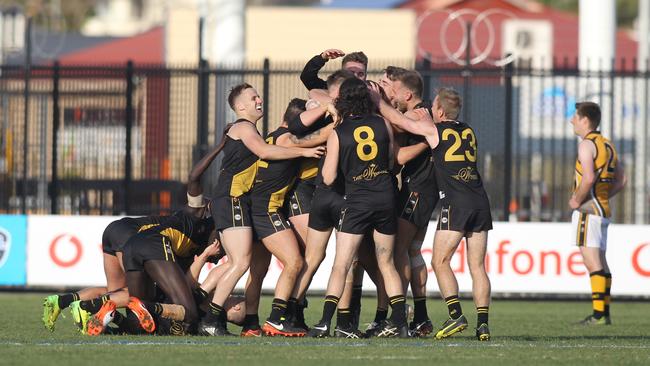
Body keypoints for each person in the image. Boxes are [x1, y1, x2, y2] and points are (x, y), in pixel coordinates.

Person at [199, 83, 323, 336]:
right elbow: (264, 150)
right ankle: (210, 317)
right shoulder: (243, 126)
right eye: (253, 97)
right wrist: (304, 150)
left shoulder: (251, 129)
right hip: (231, 198)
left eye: (259, 96)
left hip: (239, 201)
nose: (259, 100)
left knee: (247, 264)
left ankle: (237, 319)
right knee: (241, 261)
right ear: (240, 106)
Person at [379, 87, 493, 341]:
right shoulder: (468, 130)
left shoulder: (435, 131)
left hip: (456, 203)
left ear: (440, 111)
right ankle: (483, 325)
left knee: (440, 262)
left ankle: (455, 316)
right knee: (477, 266)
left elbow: (398, 120)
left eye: (434, 108)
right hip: (480, 201)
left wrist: (377, 101)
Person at [308, 77, 408, 338]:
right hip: (385, 198)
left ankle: (324, 322)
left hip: (357, 201)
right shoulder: (383, 123)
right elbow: (390, 160)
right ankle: (400, 323)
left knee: (341, 264)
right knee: (387, 264)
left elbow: (328, 178)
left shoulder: (339, 131)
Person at [379, 66, 438, 337]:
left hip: (416, 190)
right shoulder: (422, 112)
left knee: (399, 251)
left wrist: (377, 103)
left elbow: (399, 158)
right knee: (413, 251)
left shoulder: (417, 114)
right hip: (426, 191)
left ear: (408, 93)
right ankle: (422, 317)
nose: (394, 95)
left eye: (395, 89)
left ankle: (398, 317)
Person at [42, 215, 165, 333]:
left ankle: (62, 301)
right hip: (129, 235)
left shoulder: (174, 220)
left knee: (116, 292)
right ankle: (85, 306)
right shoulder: (180, 228)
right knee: (141, 292)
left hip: (114, 229)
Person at [568, 102, 625, 325]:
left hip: (588, 210)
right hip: (602, 209)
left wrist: (577, 199)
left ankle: (599, 315)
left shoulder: (586, 145)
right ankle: (604, 313)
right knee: (600, 260)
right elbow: (622, 180)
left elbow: (589, 178)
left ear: (585, 120)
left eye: (575, 116)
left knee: (591, 261)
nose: (572, 120)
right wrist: (602, 198)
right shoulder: (608, 145)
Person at [300, 49, 368, 91]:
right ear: (342, 73)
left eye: (360, 74)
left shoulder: (373, 93)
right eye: (351, 73)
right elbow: (307, 77)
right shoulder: (331, 90)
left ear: (365, 76)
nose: (355, 77)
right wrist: (322, 58)